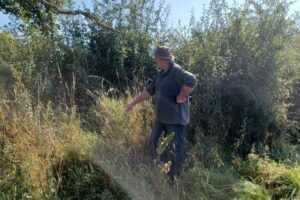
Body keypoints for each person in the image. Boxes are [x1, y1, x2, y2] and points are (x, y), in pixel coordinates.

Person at [124, 46, 197, 182]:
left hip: (175, 120)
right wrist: (132, 104)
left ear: (163, 59)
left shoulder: (176, 70)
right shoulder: (160, 74)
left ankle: (174, 177)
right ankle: (162, 166)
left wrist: (182, 95)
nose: (155, 60)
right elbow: (148, 91)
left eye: (156, 58)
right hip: (161, 119)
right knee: (153, 142)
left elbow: (192, 80)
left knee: (176, 148)